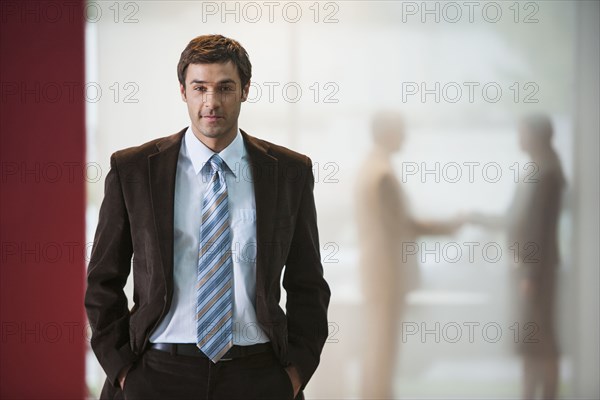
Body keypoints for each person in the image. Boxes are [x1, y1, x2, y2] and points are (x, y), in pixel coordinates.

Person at [85, 34, 330, 400]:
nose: (211, 102)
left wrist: (293, 375)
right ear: (183, 91)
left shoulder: (288, 172)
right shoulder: (134, 170)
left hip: (258, 375)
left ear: (245, 90)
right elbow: (103, 281)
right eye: (199, 87)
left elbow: (307, 283)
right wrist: (122, 371)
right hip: (156, 374)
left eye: (225, 87)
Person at [355, 111, 462, 398]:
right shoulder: (382, 175)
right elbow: (404, 225)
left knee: (378, 350)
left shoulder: (371, 168)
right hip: (386, 274)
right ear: (387, 133)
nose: (406, 136)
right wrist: (449, 226)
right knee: (383, 351)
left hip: (378, 273)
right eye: (401, 130)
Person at [468, 114, 565, 399]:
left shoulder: (547, 173)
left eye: (522, 133)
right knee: (531, 342)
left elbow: (539, 230)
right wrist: (476, 217)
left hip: (535, 273)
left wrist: (531, 274)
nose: (518, 139)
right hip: (529, 270)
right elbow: (514, 219)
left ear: (535, 136)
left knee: (541, 341)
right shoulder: (536, 170)